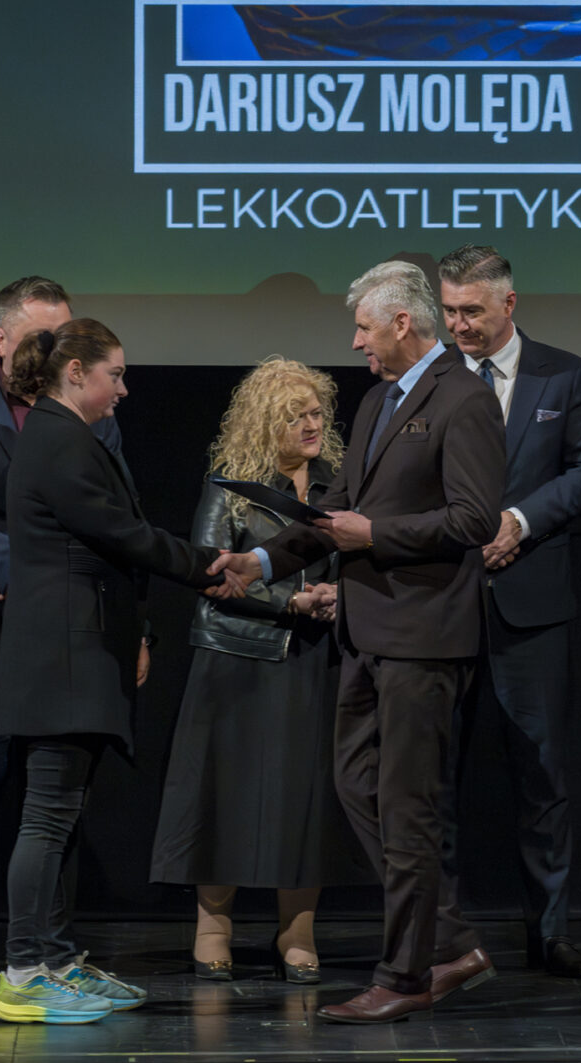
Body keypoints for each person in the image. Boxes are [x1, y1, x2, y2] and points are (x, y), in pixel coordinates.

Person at [211, 260, 506, 1023]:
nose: (356, 342)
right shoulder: (378, 400)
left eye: (364, 327)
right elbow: (332, 512)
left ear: (403, 323)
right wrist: (262, 561)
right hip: (368, 634)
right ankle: (452, 942)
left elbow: (475, 519)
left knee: (407, 807)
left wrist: (377, 534)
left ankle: (405, 976)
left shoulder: (465, 399)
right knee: (356, 787)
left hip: (425, 635)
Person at [0, 319, 243, 1025]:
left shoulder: (68, 435)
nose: (124, 389)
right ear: (76, 372)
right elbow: (121, 532)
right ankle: (23, 972)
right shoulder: (57, 438)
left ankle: (54, 959)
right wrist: (210, 565)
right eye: (116, 374)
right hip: (62, 655)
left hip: (79, 651)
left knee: (62, 814)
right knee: (46, 815)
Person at [0, 276, 126, 979]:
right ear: (2, 338)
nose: (55, 348)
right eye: (41, 336)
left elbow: (112, 520)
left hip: (67, 621)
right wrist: (20, 569)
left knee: (57, 785)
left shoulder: (91, 408)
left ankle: (50, 941)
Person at [150, 357, 371, 983]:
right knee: (223, 791)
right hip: (237, 657)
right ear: (264, 422)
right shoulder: (230, 487)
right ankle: (213, 927)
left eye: (316, 412)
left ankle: (297, 930)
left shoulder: (338, 485)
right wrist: (290, 600)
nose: (312, 424)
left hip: (314, 658)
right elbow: (211, 574)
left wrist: (339, 597)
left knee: (306, 797)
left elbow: (361, 561)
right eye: (295, 415)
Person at [436, 245, 581, 978]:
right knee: (435, 778)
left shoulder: (559, 373)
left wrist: (520, 520)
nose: (458, 325)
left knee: (542, 776)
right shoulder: (433, 377)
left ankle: (550, 932)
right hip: (442, 602)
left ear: (509, 304)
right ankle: (443, 938)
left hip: (530, 607)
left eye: (471, 311)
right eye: (449, 311)